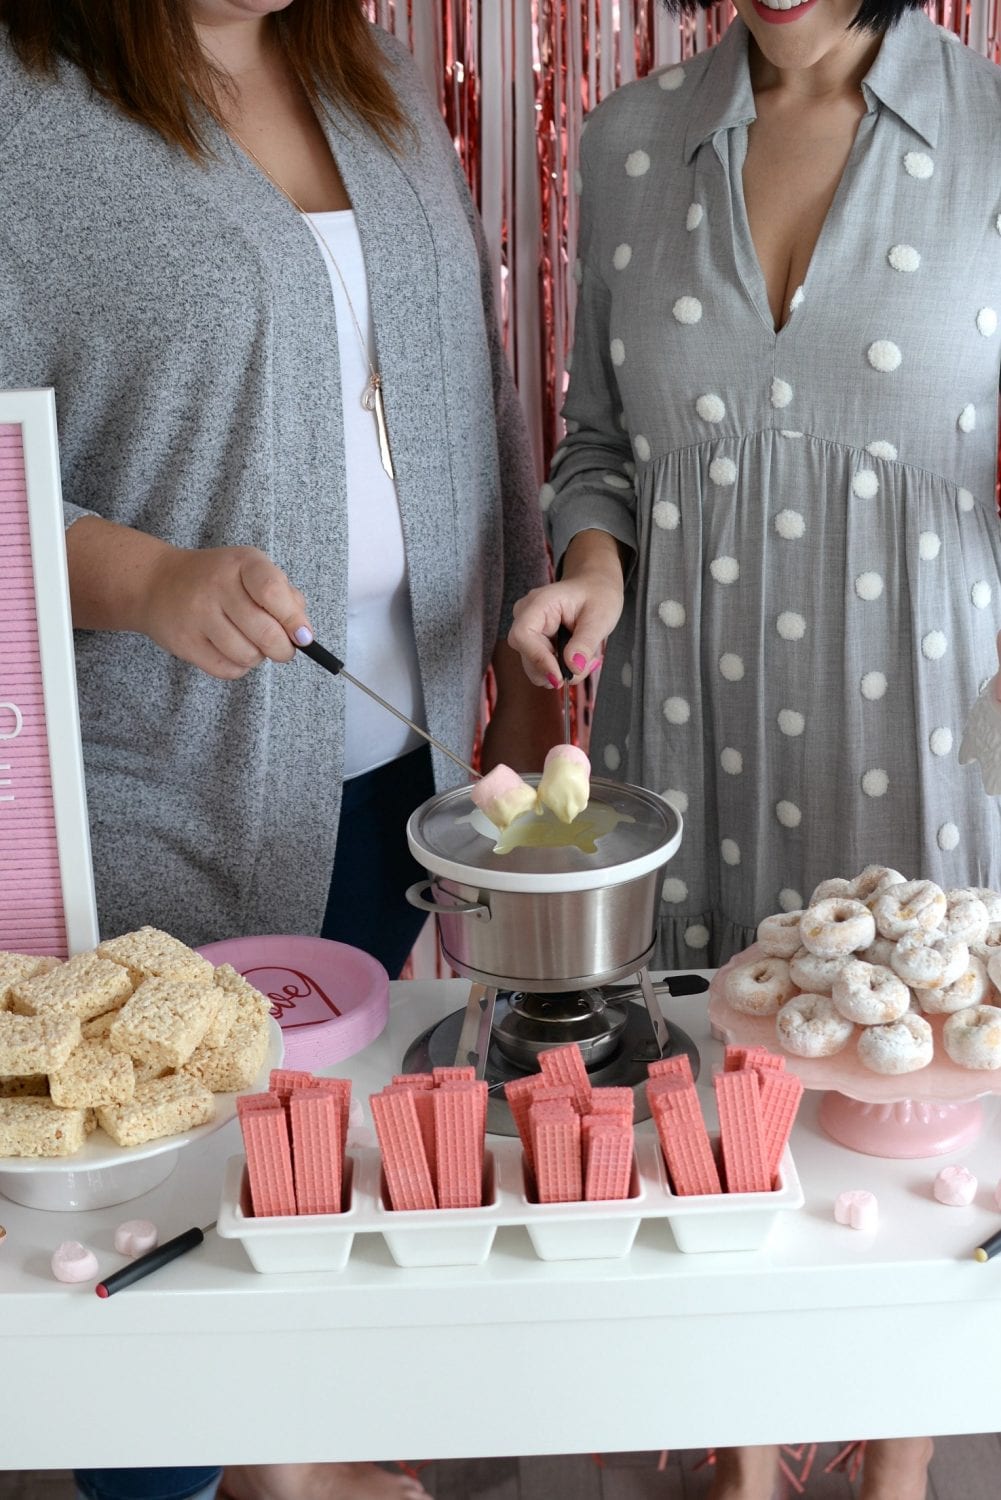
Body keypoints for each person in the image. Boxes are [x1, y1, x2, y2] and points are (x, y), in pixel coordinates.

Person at [0, 1, 558, 1498]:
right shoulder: (25, 112)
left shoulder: (362, 71)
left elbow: (471, 377)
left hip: (399, 758)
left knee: (330, 1169)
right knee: (164, 1216)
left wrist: (508, 664)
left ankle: (295, 1455)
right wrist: (151, 581)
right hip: (161, 776)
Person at [507, 0, 1001, 1494]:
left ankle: (895, 1458)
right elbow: (598, 437)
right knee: (716, 1085)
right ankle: (735, 1446)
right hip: (689, 709)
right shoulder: (630, 137)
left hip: (918, 711)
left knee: (900, 1079)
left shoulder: (988, 135)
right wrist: (592, 573)